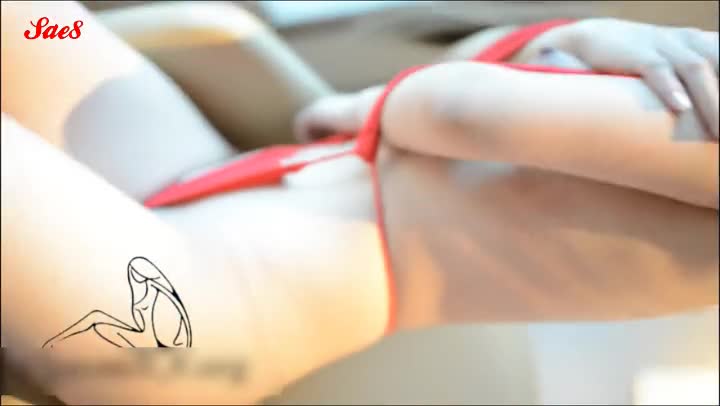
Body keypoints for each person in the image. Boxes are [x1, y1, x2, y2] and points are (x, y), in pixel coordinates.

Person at [1, 1, 717, 404]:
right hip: (213, 173)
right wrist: (577, 38)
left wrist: (582, 38)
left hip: (213, 305)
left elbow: (461, 111)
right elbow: (465, 85)